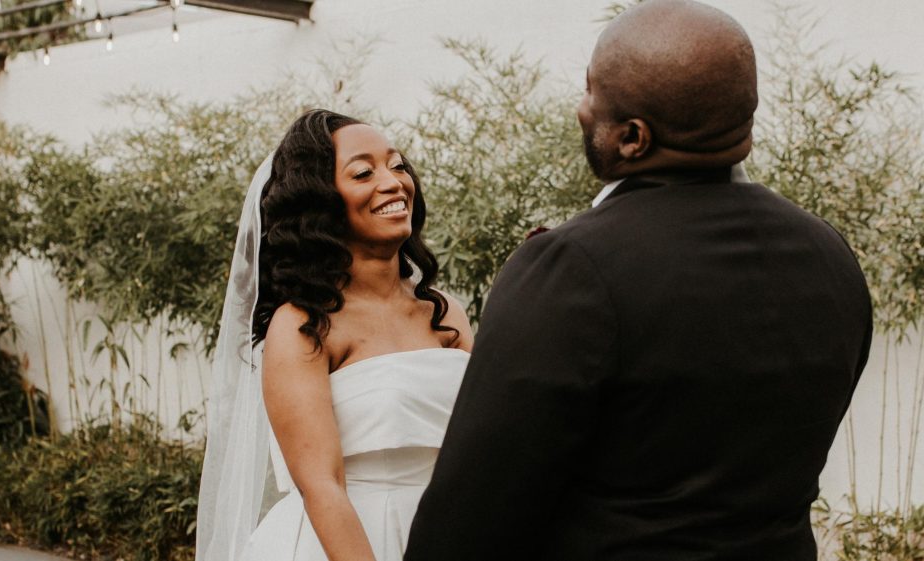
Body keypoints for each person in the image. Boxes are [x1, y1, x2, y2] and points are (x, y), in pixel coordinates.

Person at [405, 1, 873, 560]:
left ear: (632, 137)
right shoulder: (830, 255)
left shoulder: (570, 268)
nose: (581, 108)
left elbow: (470, 519)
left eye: (590, 93)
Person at [196, 109, 473, 561]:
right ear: (320, 200)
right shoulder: (304, 324)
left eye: (398, 165)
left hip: (450, 533)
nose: (393, 182)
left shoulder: (443, 311)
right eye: (364, 172)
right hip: (347, 541)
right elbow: (321, 484)